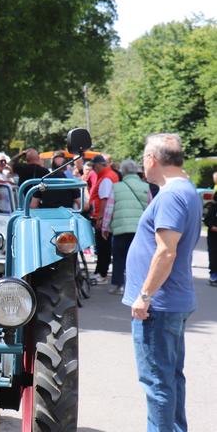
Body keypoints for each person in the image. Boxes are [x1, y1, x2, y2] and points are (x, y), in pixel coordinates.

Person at [122, 133, 201, 432]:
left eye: (144, 157)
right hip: (170, 301)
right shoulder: (184, 190)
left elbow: (166, 251)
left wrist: (145, 295)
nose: (144, 164)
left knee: (157, 383)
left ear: (152, 159)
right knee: (169, 379)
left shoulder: (171, 195)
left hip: (160, 304)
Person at [101, 159, 150, 295]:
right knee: (137, 258)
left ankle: (118, 284)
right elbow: (150, 209)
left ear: (123, 171)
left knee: (119, 257)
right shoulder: (145, 187)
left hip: (120, 228)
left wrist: (105, 228)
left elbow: (109, 209)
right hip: (139, 230)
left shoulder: (117, 187)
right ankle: (137, 286)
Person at [89, 154, 119, 284]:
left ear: (101, 165)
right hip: (107, 216)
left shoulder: (106, 178)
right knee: (103, 247)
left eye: (95, 166)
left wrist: (100, 218)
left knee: (103, 247)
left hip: (102, 217)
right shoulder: (109, 175)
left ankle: (102, 274)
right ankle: (100, 272)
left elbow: (104, 199)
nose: (93, 169)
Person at [205, 192, 217, 284]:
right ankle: (213, 274)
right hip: (213, 236)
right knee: (213, 255)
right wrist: (212, 226)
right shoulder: (213, 207)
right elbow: (207, 220)